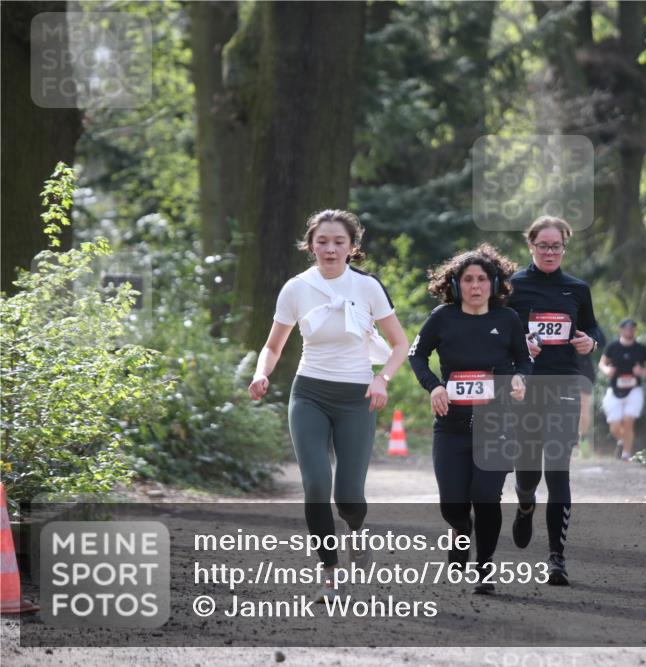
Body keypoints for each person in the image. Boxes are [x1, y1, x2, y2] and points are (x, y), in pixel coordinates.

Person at [247, 209, 409, 601]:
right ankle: (330, 575)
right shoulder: (296, 288)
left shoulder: (368, 288)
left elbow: (400, 344)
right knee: (316, 485)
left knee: (349, 495)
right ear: (310, 245)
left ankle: (356, 530)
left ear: (353, 247)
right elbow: (273, 346)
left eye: (339, 242)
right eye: (322, 241)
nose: (330, 249)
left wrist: (381, 378)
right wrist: (261, 372)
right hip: (309, 394)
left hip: (356, 397)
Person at [408, 244, 531, 594]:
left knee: (486, 497)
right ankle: (461, 532)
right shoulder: (442, 317)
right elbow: (417, 357)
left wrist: (521, 379)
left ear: (493, 284)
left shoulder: (507, 319)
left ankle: (485, 567)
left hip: (497, 423)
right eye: (467, 279)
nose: (475, 286)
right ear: (456, 284)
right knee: (453, 504)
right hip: (451, 425)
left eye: (482, 279)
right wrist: (434, 387)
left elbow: (524, 361)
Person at [506, 215, 604, 586]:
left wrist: (590, 342)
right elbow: (499, 330)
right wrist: (520, 344)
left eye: (556, 246)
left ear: (565, 247)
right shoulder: (513, 286)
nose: (550, 251)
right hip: (526, 387)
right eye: (542, 245)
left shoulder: (576, 289)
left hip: (564, 384)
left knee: (558, 470)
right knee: (528, 468)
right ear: (530, 246)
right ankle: (525, 500)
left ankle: (556, 558)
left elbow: (594, 328)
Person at [599, 318, 646, 461]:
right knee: (614, 425)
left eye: (632, 328)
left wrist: (641, 371)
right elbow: (602, 363)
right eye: (627, 328)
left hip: (634, 390)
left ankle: (626, 454)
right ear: (621, 330)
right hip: (614, 389)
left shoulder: (641, 349)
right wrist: (607, 370)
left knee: (628, 421)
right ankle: (623, 440)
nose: (630, 330)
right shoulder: (612, 347)